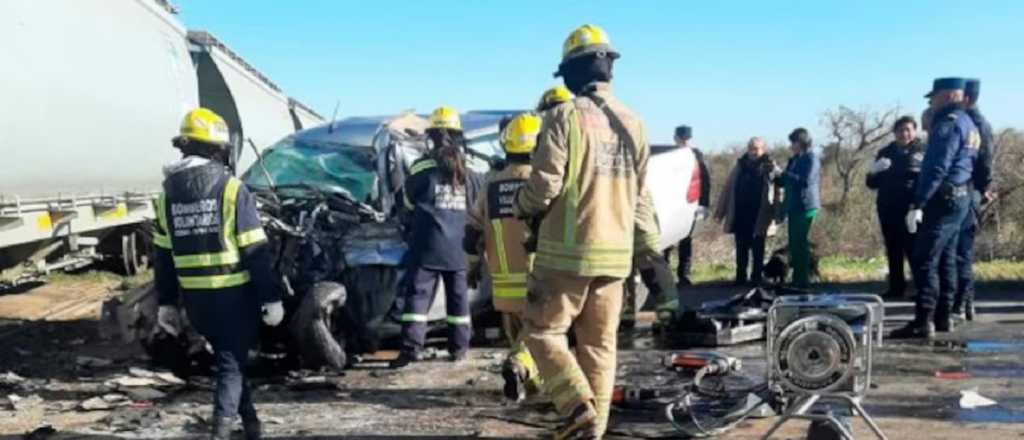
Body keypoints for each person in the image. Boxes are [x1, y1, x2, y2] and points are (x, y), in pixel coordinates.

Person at [513, 24, 659, 440]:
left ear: (574, 72)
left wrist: (521, 208)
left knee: (541, 332)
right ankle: (592, 433)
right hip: (616, 257)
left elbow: (544, 187)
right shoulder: (635, 123)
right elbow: (641, 196)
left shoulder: (563, 117)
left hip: (567, 254)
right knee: (599, 346)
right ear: (608, 66)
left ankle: (576, 407)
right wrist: (649, 248)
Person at [153, 108, 282, 440]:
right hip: (232, 296)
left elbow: (163, 255)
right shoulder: (231, 188)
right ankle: (220, 432)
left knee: (230, 359)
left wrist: (166, 303)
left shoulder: (167, 194)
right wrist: (271, 298)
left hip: (195, 301)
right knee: (231, 365)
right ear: (218, 148)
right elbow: (255, 249)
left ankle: (252, 426)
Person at [891, 78, 980, 339]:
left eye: (936, 97)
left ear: (951, 95)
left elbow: (937, 167)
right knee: (946, 258)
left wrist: (919, 202)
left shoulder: (949, 123)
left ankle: (924, 319)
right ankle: (943, 317)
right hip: (960, 196)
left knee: (924, 257)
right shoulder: (968, 122)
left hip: (944, 199)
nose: (932, 102)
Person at [465, 113, 543, 401]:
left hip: (502, 280)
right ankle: (519, 366)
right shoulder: (541, 183)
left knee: (520, 336)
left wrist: (471, 267)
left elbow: (471, 233)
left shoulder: (491, 184)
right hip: (537, 276)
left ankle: (530, 383)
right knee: (538, 336)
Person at [391, 106, 475, 368]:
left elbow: (405, 202)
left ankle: (410, 350)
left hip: (427, 246)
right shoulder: (469, 171)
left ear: (432, 136)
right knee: (459, 302)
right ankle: (459, 349)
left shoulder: (422, 168)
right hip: (459, 248)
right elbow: (475, 208)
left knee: (417, 299)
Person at [866, 116, 925, 300]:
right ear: (895, 132)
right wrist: (873, 171)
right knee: (893, 249)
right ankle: (896, 287)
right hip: (887, 207)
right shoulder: (886, 152)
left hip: (911, 208)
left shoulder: (923, 150)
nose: (904, 133)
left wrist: (920, 205)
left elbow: (927, 180)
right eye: (900, 130)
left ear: (914, 131)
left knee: (914, 249)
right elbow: (871, 183)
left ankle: (921, 288)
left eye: (908, 129)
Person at [950, 78, 995, 321]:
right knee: (959, 251)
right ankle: (964, 302)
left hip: (969, 192)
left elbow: (986, 160)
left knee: (961, 252)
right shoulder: (969, 121)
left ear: (965, 98)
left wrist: (984, 185)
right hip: (969, 190)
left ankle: (963, 301)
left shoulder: (977, 124)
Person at [715, 137, 781, 286]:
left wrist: (778, 213)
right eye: (751, 148)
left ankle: (756, 277)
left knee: (758, 248)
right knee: (741, 247)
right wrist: (720, 212)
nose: (753, 152)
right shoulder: (740, 165)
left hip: (760, 215)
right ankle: (740, 277)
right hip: (741, 214)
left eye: (756, 149)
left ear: (763, 149)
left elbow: (779, 189)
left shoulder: (770, 166)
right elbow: (728, 188)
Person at [663, 125, 710, 286]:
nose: (683, 141)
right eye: (681, 138)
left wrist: (704, 203)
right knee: (666, 243)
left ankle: (684, 274)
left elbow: (705, 181)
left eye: (686, 138)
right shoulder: (669, 155)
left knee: (686, 241)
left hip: (690, 203)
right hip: (670, 205)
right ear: (675, 138)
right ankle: (665, 276)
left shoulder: (696, 156)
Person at [776, 128, 821, 289]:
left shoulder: (812, 159)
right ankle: (797, 279)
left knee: (801, 243)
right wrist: (775, 173)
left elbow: (805, 181)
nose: (792, 146)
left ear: (802, 142)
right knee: (794, 244)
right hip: (793, 206)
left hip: (806, 205)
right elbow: (785, 181)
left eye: (794, 142)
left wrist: (784, 173)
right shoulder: (794, 159)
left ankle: (803, 280)